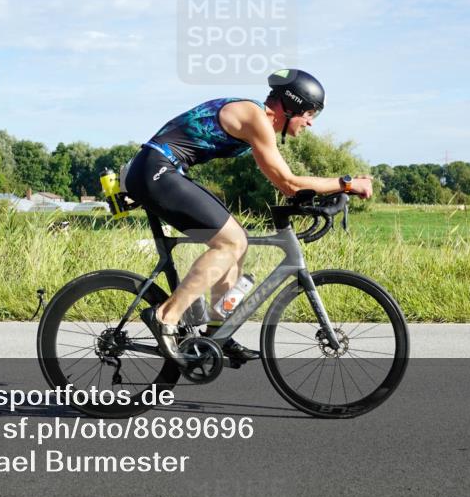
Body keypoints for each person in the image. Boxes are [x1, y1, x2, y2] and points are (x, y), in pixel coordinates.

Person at [123, 69, 374, 365]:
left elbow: (284, 183)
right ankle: (166, 315)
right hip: (156, 170)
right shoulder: (255, 117)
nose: (310, 122)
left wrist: (319, 195)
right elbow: (288, 183)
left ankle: (217, 333)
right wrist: (346, 183)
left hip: (160, 170)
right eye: (309, 113)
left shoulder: (255, 120)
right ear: (291, 106)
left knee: (237, 243)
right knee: (230, 242)